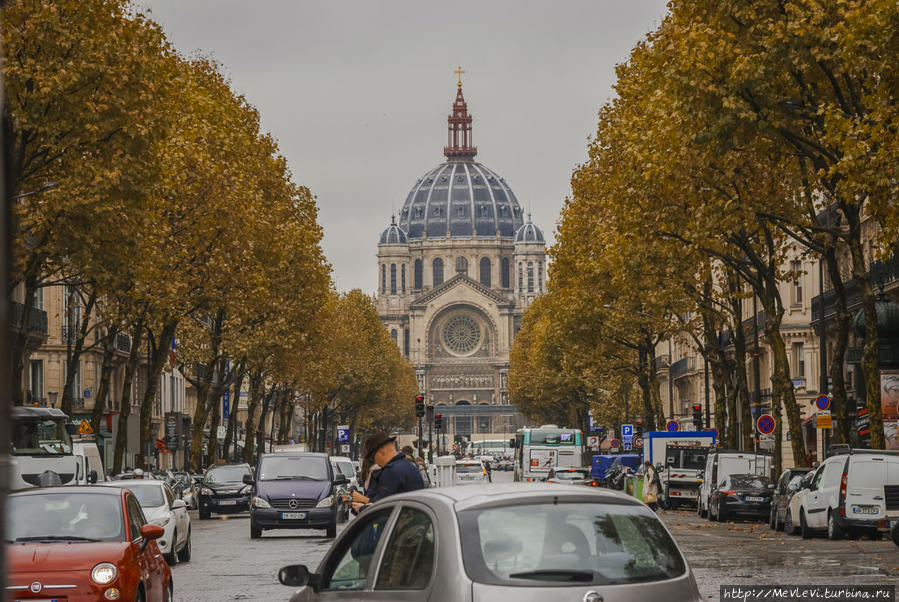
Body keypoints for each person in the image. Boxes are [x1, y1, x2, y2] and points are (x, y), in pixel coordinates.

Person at [343, 431, 424, 511]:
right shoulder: (410, 467)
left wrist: (361, 507)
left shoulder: (390, 471)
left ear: (381, 452)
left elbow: (381, 506)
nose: (375, 462)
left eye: (372, 458)